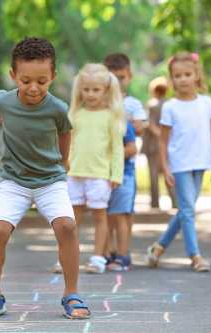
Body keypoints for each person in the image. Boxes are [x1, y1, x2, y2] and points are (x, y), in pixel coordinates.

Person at [0, 37, 90, 319]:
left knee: (67, 226)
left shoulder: (57, 108)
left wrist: (64, 159)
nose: (34, 88)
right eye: (25, 81)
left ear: (53, 77)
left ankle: (71, 294)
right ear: (13, 75)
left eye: (42, 81)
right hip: (14, 180)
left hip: (50, 180)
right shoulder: (3, 100)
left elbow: (65, 131)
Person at [146, 52, 211, 273]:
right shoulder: (170, 107)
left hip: (200, 163)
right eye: (178, 75)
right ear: (172, 79)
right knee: (188, 211)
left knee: (185, 212)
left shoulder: (207, 104)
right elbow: (163, 141)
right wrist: (166, 166)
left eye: (187, 74)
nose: (183, 79)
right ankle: (195, 256)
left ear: (196, 75)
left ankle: (158, 248)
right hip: (179, 164)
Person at [52, 64, 124, 275]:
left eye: (96, 90)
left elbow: (117, 148)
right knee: (70, 219)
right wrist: (61, 167)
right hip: (74, 174)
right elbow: (67, 143)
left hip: (100, 175)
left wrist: (116, 173)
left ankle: (98, 258)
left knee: (100, 218)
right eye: (86, 89)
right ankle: (65, 258)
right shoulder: (75, 114)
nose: (90, 94)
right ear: (80, 90)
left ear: (105, 90)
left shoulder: (111, 116)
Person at [103, 53, 147, 268]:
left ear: (128, 76)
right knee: (106, 213)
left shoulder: (132, 103)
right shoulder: (100, 102)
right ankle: (107, 252)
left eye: (120, 78)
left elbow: (139, 127)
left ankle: (123, 253)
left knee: (123, 213)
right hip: (102, 168)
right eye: (111, 78)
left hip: (125, 169)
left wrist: (125, 120)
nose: (116, 83)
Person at [105, 119, 137, 271]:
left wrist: (108, 155)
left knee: (120, 215)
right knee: (105, 216)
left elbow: (132, 148)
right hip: (101, 175)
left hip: (124, 175)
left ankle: (122, 256)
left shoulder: (122, 123)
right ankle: (107, 253)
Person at [143, 76, 176, 209]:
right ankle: (175, 201)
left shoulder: (152, 105)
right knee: (168, 173)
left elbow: (151, 124)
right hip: (168, 145)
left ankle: (155, 203)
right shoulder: (171, 104)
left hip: (153, 145)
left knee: (153, 175)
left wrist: (159, 136)